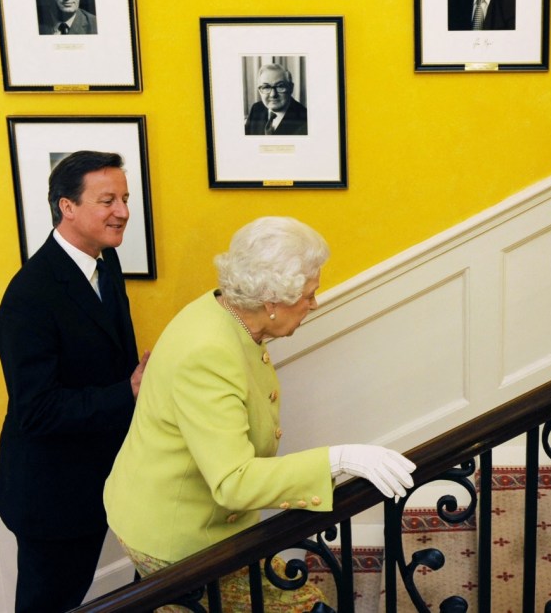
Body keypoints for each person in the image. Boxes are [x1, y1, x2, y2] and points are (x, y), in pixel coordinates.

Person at [104, 217, 415, 612]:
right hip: (176, 532)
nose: (314, 303)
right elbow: (234, 481)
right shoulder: (209, 351)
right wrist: (338, 459)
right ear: (271, 301)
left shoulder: (224, 311)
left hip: (200, 516)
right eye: (308, 293)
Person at [0, 150, 149, 613]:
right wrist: (130, 390)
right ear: (67, 206)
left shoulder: (107, 262)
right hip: (52, 496)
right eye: (107, 200)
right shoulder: (29, 297)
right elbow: (38, 411)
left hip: (104, 477)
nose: (122, 211)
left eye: (124, 198)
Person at [245, 63, 308, 136]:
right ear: (259, 90)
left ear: (291, 88)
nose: (273, 94)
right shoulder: (256, 109)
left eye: (280, 86)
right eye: (266, 87)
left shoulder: (306, 119)